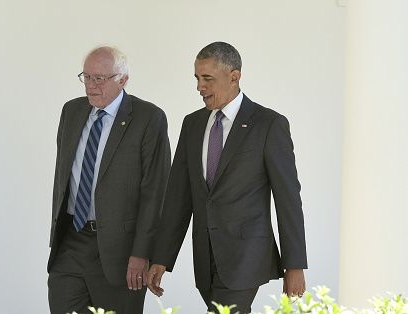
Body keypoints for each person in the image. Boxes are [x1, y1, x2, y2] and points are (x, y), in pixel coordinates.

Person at [147, 42, 307, 313]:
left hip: (246, 258)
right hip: (205, 258)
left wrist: (294, 265)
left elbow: (288, 199)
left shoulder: (269, 124)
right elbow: (178, 198)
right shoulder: (192, 124)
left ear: (234, 76)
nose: (200, 86)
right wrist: (161, 257)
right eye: (197, 78)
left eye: (207, 78)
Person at [47, 46, 171, 314]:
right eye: (87, 77)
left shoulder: (148, 118)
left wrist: (141, 253)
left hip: (121, 253)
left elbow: (155, 193)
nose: (91, 86)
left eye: (100, 79)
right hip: (71, 242)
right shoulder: (72, 111)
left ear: (122, 80)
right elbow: (63, 175)